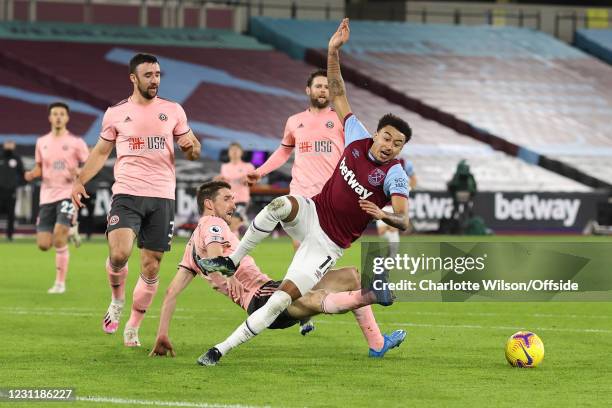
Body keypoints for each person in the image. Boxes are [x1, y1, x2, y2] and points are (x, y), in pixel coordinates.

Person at [197, 18, 412, 366]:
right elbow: (340, 91)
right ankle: (231, 261)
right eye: (387, 137)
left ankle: (220, 350)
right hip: (311, 210)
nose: (389, 146)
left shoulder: (394, 175)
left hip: (327, 243)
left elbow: (403, 218)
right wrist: (332, 51)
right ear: (376, 134)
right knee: (281, 204)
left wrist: (383, 214)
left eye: (397, 144)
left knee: (284, 300)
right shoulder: (355, 134)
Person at [149, 181, 401, 358]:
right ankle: (371, 296)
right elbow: (216, 255)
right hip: (260, 298)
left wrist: (162, 334)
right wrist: (226, 273)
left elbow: (171, 292)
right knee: (315, 298)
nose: (233, 205)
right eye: (227, 199)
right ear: (208, 204)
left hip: (269, 290)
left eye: (233, 199)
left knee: (351, 276)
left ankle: (377, 342)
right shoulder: (213, 223)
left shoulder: (191, 246)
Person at [71, 53, 201, 347]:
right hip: (127, 192)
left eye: (157, 74)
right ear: (133, 78)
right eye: (148, 75)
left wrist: (191, 147)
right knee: (118, 254)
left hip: (162, 195)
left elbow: (193, 150)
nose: (154, 80)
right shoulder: (116, 113)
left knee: (151, 266)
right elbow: (102, 152)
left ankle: (133, 325)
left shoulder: (173, 110)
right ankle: (117, 301)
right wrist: (80, 180)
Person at [246, 69, 345, 250]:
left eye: (326, 87)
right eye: (318, 86)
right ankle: (303, 278)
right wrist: (260, 171)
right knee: (300, 245)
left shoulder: (341, 119)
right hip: (300, 190)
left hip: (330, 193)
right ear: (308, 90)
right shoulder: (294, 121)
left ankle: (334, 278)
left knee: (325, 248)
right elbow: (283, 152)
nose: (323, 90)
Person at [23, 103, 89, 293]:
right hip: (47, 195)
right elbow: (39, 167)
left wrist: (78, 171)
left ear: (67, 118)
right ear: (50, 118)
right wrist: (32, 174)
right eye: (55, 114)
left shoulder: (76, 142)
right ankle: (72, 230)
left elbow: (90, 165)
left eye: (62, 114)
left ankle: (60, 283)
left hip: (67, 194)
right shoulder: (41, 141)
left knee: (59, 237)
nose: (58, 117)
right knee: (44, 244)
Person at [376, 159, 417, 257]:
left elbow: (414, 179)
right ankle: (392, 252)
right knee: (382, 232)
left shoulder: (405, 163)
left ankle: (392, 257)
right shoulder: (379, 161)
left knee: (393, 229)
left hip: (396, 203)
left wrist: (406, 191)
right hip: (383, 204)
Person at [217, 142, 254, 224]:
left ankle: (242, 220)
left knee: (233, 223)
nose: (234, 152)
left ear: (241, 152)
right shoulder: (224, 167)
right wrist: (218, 181)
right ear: (228, 152)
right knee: (227, 224)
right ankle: (243, 223)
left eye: (236, 150)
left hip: (242, 200)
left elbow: (254, 182)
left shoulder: (248, 166)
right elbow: (222, 184)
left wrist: (248, 181)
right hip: (227, 200)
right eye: (232, 150)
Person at [0, 140, 25, 241]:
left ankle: (9, 236)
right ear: (4, 145)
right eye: (7, 143)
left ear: (14, 146)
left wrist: (17, 185)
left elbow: (22, 174)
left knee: (11, 215)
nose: (9, 146)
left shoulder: (17, 159)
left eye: (11, 144)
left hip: (11, 192)